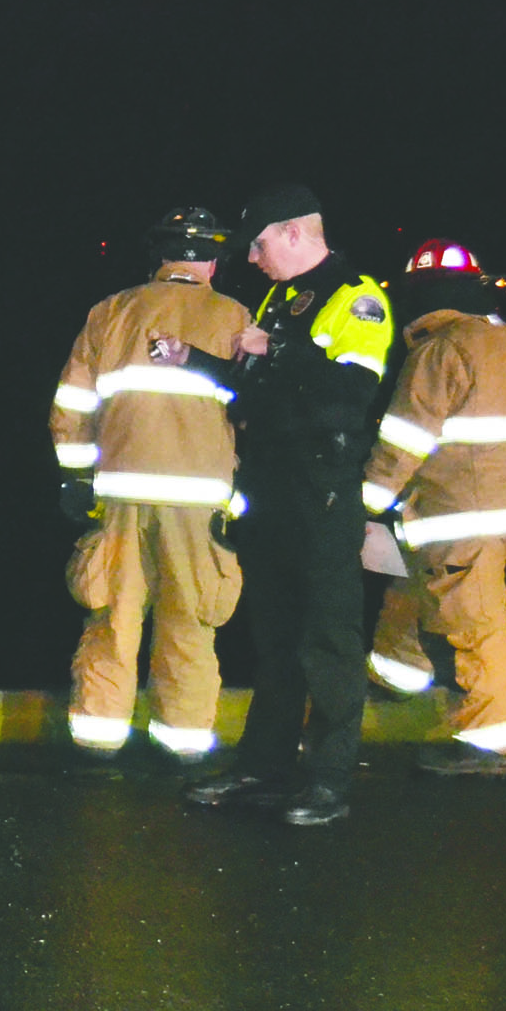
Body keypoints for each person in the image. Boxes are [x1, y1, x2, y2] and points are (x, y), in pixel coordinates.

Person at [184, 184, 394, 827]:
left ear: (295, 233)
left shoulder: (358, 296)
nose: (252, 257)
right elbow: (259, 387)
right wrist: (191, 360)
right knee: (274, 635)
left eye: (260, 241)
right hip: (272, 482)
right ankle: (264, 768)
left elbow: (351, 391)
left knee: (327, 637)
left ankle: (328, 780)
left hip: (322, 484)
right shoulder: (279, 298)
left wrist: (274, 349)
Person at [49, 206, 250, 759]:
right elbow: (253, 411)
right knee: (190, 621)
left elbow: (72, 406)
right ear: (214, 261)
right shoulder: (236, 316)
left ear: (160, 257)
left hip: (119, 495)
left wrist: (75, 476)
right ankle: (182, 747)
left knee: (113, 617)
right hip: (202, 503)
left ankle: (97, 741)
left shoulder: (112, 311)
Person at [360, 239, 506, 773]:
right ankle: (397, 677)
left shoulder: (440, 351)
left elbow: (401, 443)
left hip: (458, 514)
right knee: (414, 586)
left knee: (475, 624)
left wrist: (364, 506)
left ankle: (491, 741)